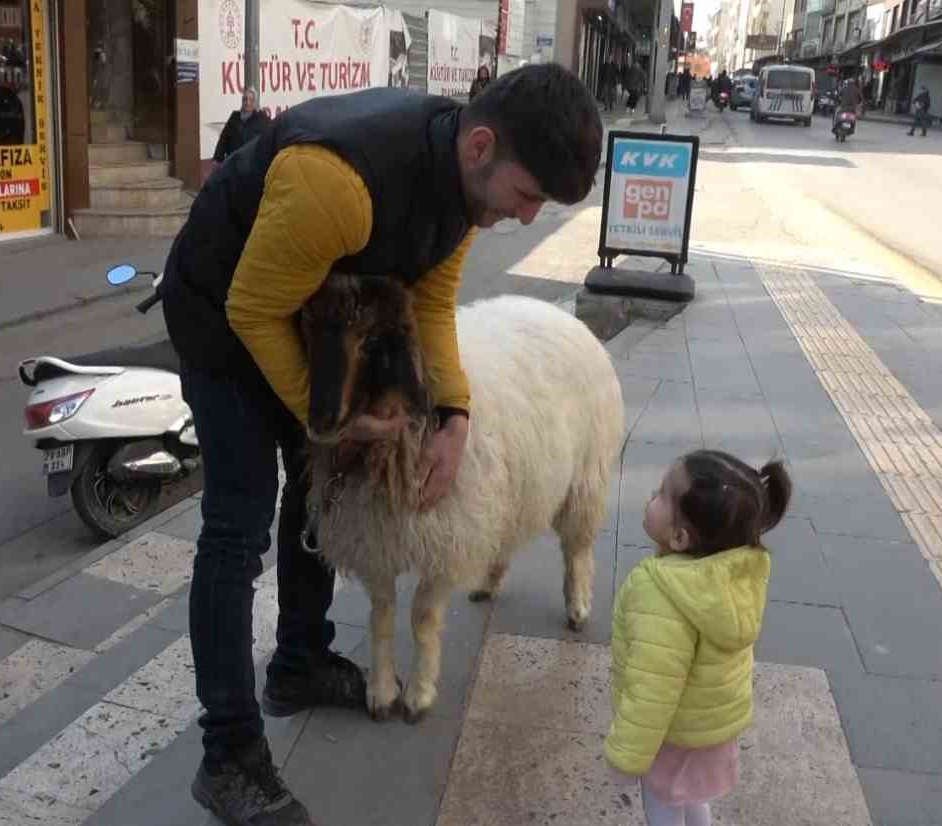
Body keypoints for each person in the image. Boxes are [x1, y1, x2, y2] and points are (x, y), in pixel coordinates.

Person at [156, 64, 602, 825]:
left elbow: (431, 302)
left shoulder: (464, 195)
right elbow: (253, 309)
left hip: (306, 316)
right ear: (483, 144)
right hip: (226, 315)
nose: (528, 218)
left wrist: (455, 416)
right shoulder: (338, 182)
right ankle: (228, 755)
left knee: (314, 493)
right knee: (237, 524)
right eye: (528, 196)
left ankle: (297, 661)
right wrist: (325, 420)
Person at [606, 449, 792, 826]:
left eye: (661, 494)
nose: (650, 497)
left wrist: (627, 753)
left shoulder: (660, 592)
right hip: (710, 729)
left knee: (662, 804)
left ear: (679, 538)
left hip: (673, 735)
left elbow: (653, 687)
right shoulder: (734, 574)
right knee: (691, 797)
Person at [212, 88, 272, 164]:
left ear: (256, 102)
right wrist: (217, 158)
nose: (248, 103)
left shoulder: (262, 118)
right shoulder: (234, 117)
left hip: (253, 163)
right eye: (245, 99)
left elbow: (268, 139)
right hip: (234, 162)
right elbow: (223, 139)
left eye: (251, 100)